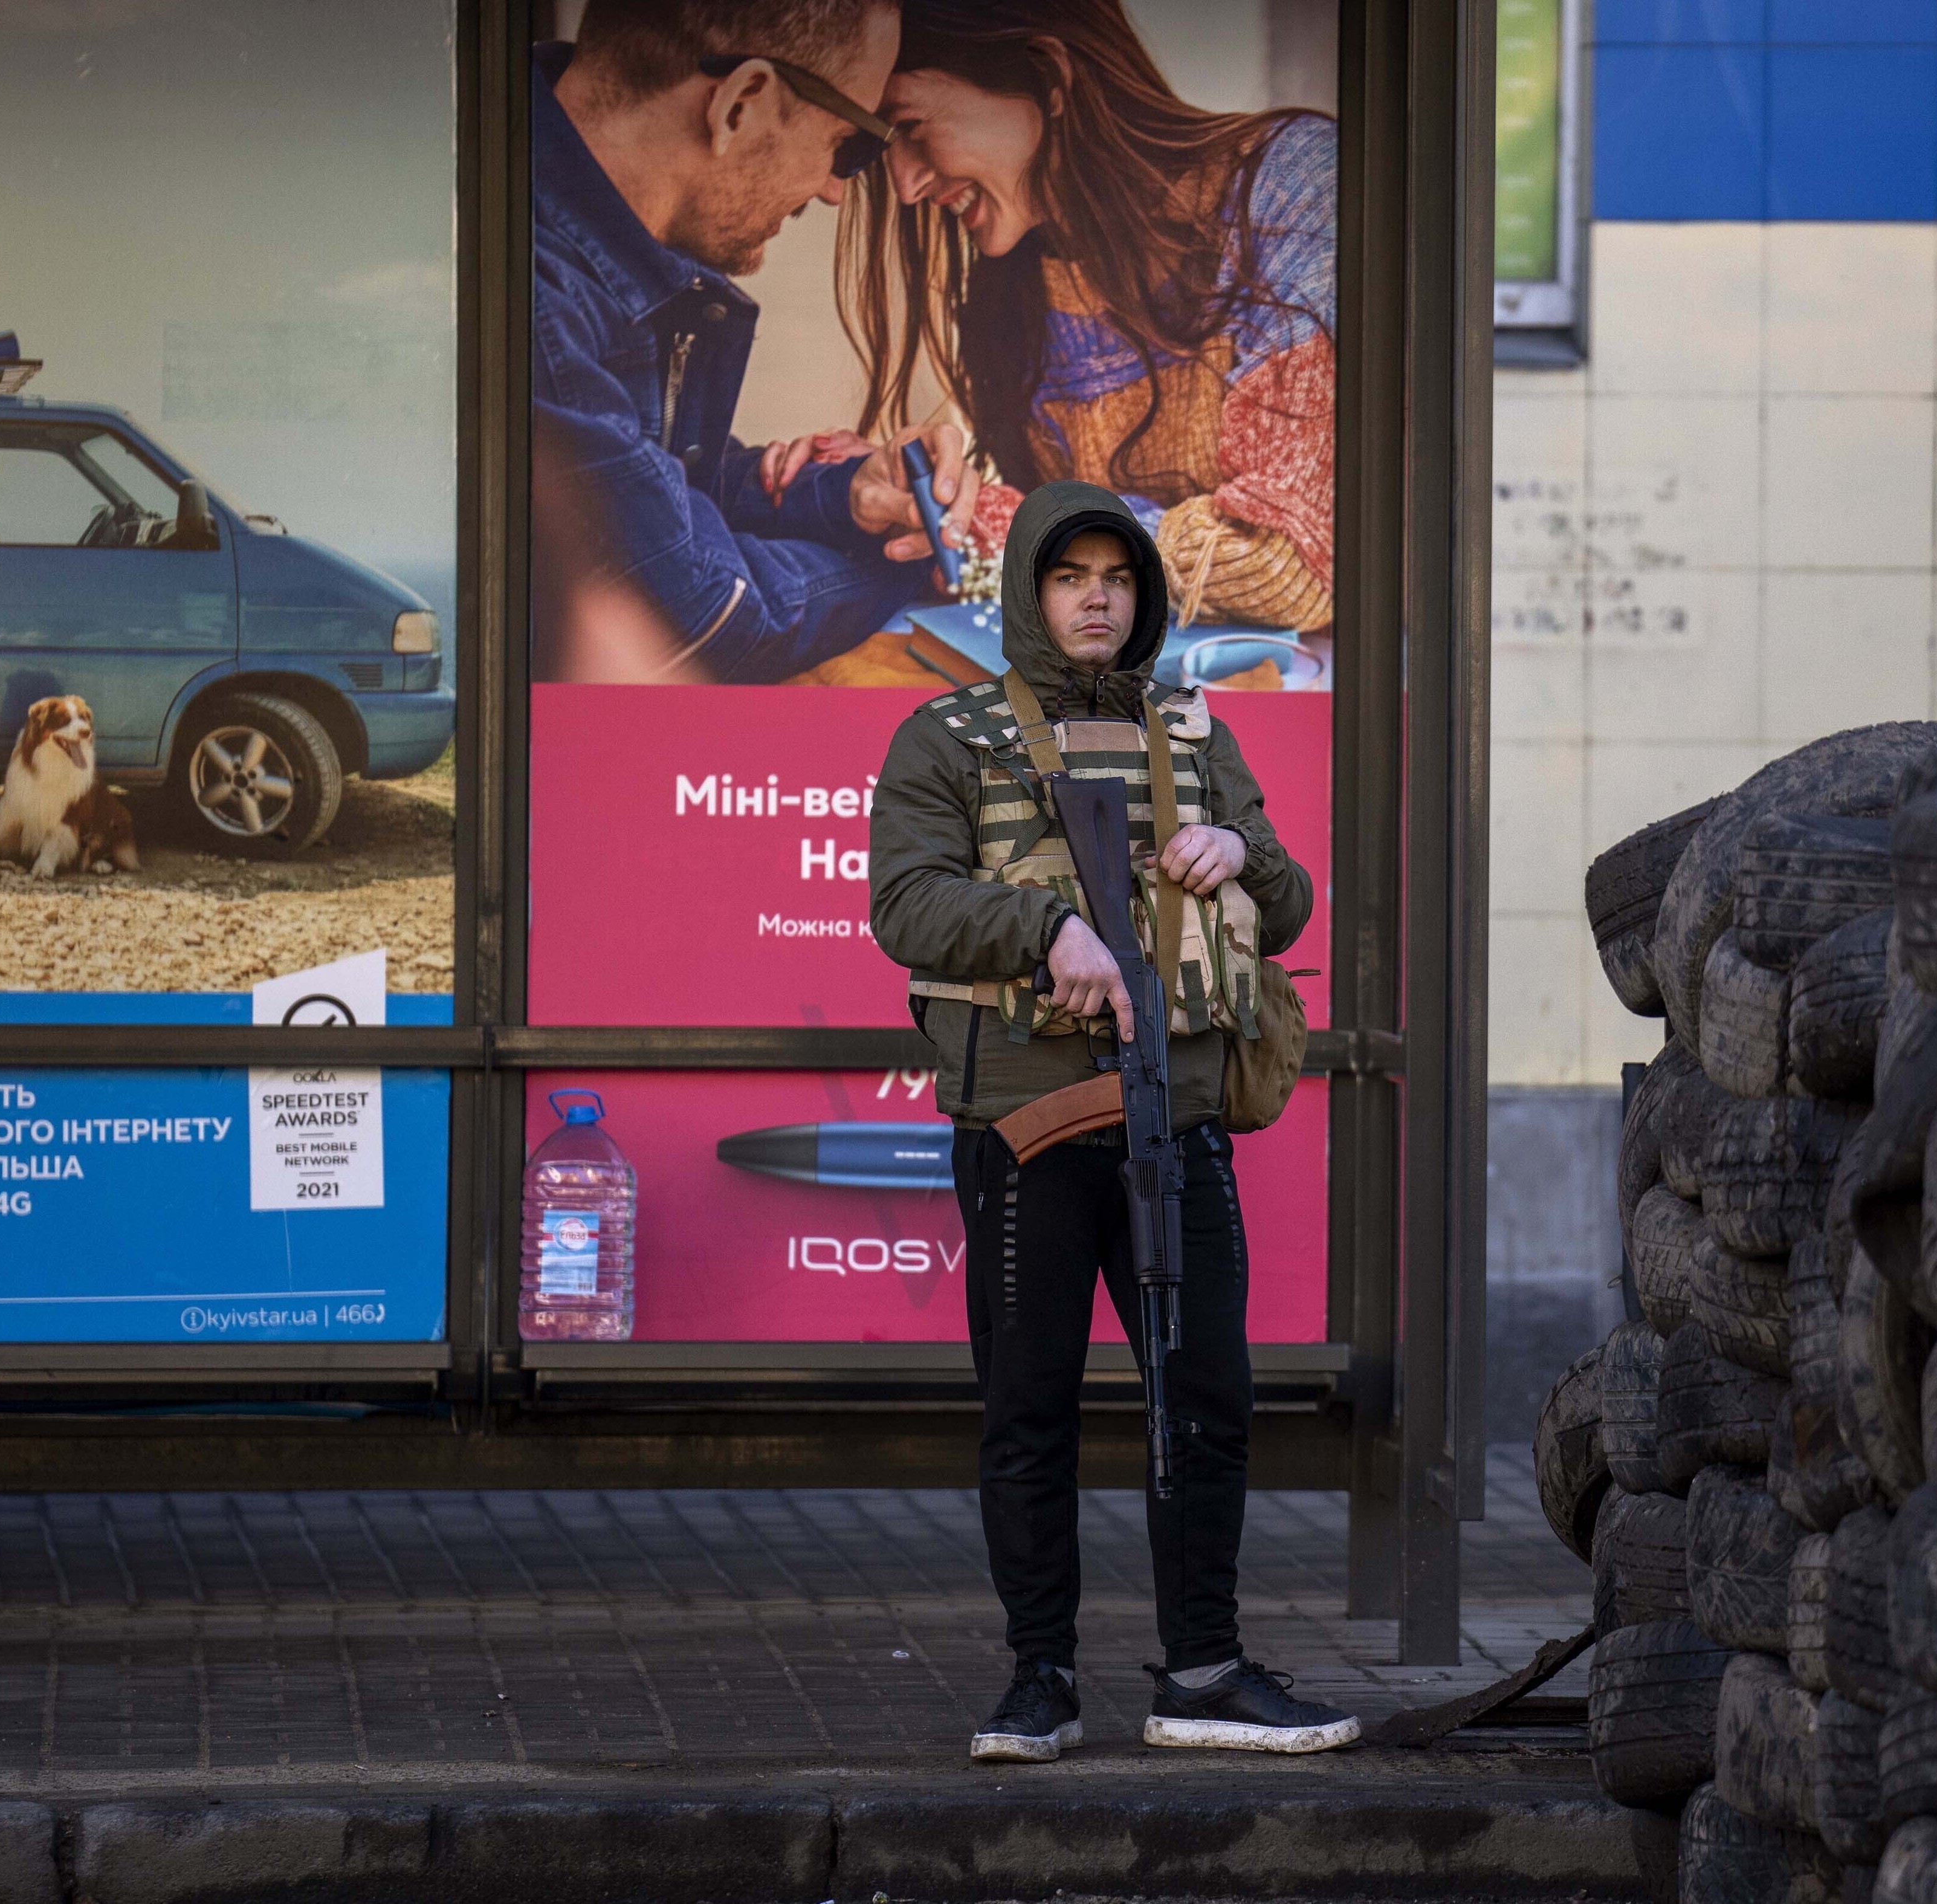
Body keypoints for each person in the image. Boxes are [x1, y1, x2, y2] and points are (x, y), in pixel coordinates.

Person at [868, 478, 1356, 1761]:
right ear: (1031, 589)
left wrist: (1239, 860)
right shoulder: (950, 735)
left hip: (1176, 1115)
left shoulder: (1191, 729)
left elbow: (1291, 902)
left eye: (1120, 577)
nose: (1099, 596)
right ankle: (1041, 1681)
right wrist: (1045, 927)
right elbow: (907, 907)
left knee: (1206, 1397)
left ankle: (1201, 1670)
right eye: (1073, 574)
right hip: (1028, 1124)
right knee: (1030, 1408)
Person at [831, 0, 1335, 640]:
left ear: (1051, 79)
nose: (904, 185)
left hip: (1309, 713)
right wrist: (893, 496)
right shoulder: (1012, 286)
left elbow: (1290, 562)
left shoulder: (1292, 183)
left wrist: (995, 521)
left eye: (909, 124)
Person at [531, 0, 982, 684]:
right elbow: (704, 615)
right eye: (852, 144)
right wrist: (912, 560)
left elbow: (663, 499)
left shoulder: (583, 243)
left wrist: (851, 497)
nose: (835, 191)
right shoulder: (534, 297)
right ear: (742, 102)